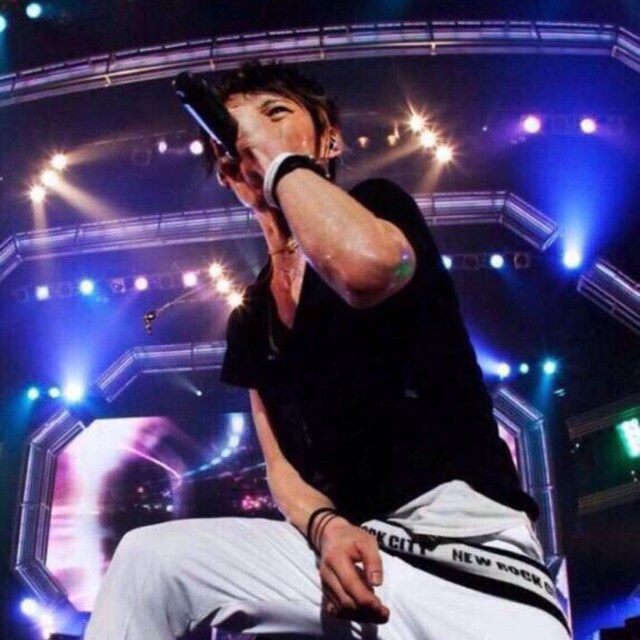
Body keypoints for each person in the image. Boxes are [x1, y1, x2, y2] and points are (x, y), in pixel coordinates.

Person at [84, 62, 570, 640]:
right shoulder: (251, 316)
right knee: (150, 562)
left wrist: (280, 163)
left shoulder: (378, 207)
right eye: (234, 130)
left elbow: (366, 269)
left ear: (329, 140)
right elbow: (282, 470)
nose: (250, 134)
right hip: (352, 560)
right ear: (226, 168)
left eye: (275, 113)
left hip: (475, 563)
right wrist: (327, 526)